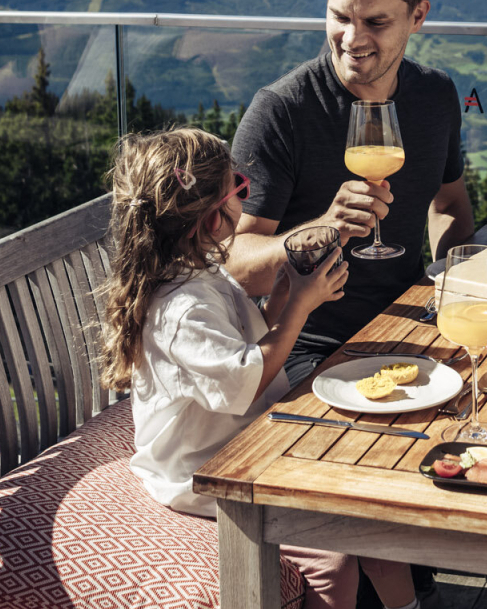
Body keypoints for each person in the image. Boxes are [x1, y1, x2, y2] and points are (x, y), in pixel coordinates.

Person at [99, 127, 422, 609]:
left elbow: (242, 341)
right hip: (204, 469)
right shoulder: (181, 307)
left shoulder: (199, 270)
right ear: (212, 219)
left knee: (368, 512)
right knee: (331, 559)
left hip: (244, 438)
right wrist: (300, 310)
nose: (246, 200)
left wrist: (284, 296)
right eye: (241, 191)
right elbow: (246, 380)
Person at [228, 0, 476, 382]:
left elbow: (449, 204)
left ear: (417, 16)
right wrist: (324, 229)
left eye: (375, 22)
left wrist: (451, 283)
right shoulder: (282, 110)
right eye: (340, 16)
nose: (352, 38)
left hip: (416, 324)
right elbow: (235, 267)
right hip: (307, 348)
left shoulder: (436, 95)